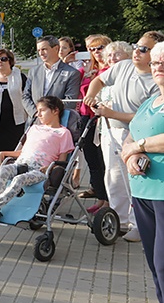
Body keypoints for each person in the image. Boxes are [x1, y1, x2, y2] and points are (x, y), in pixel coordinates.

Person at [84, 31, 163, 241]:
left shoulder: (156, 81)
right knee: (113, 177)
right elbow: (99, 81)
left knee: (133, 178)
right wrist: (91, 95)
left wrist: (112, 113)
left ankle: (138, 225)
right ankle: (118, 220)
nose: (137, 52)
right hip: (111, 131)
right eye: (136, 46)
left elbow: (143, 117)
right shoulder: (123, 66)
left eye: (144, 49)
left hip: (136, 135)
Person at [120, 41, 164, 303]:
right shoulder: (151, 103)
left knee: (163, 263)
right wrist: (129, 155)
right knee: (154, 263)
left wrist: (140, 146)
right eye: (155, 62)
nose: (157, 67)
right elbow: (128, 137)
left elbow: (140, 140)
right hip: (143, 193)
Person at [0, 96, 74, 219]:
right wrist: (4, 153)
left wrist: (49, 167)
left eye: (42, 110)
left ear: (55, 111)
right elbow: (24, 151)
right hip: (23, 163)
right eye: (37, 111)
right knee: (2, 171)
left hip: (40, 170)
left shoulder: (63, 133)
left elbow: (62, 161)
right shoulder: (34, 128)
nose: (38, 115)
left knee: (18, 180)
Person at [77, 34, 112, 213]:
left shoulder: (112, 68)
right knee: (92, 161)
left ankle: (109, 200)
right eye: (92, 49)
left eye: (99, 48)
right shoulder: (88, 68)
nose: (96, 52)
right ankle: (100, 196)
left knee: (105, 160)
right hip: (86, 118)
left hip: (103, 119)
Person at [22, 35, 81, 117]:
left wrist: (48, 115)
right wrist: (36, 113)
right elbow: (26, 96)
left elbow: (70, 101)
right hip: (35, 121)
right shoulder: (33, 71)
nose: (41, 53)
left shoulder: (72, 73)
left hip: (57, 122)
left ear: (56, 48)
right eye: (39, 50)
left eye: (44, 49)